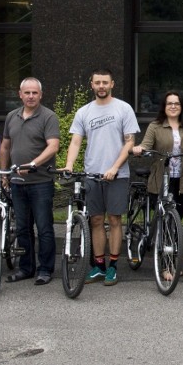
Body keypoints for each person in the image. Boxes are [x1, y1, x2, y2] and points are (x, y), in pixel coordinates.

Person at [65, 69, 140, 287]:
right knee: (96, 220)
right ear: (92, 85)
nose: (101, 86)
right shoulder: (84, 112)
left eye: (105, 82)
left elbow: (129, 142)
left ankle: (113, 267)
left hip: (117, 175)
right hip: (92, 174)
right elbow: (76, 142)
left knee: (115, 220)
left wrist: (115, 167)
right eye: (97, 82)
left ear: (112, 84)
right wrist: (69, 165)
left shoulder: (123, 109)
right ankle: (99, 266)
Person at [0, 77, 60, 285]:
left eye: (35, 93)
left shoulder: (48, 117)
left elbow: (53, 146)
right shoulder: (11, 116)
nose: (31, 96)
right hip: (17, 182)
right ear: (20, 94)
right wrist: (4, 172)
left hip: (41, 182)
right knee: (23, 228)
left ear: (41, 95)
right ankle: (26, 268)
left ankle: (45, 269)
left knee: (44, 228)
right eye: (27, 92)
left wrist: (33, 163)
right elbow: (5, 146)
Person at [132, 90, 183, 220]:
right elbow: (145, 145)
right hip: (162, 178)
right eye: (169, 103)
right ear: (164, 107)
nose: (173, 106)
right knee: (163, 217)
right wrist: (139, 149)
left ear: (182, 107)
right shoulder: (155, 126)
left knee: (177, 218)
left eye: (177, 103)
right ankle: (159, 238)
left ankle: (174, 239)